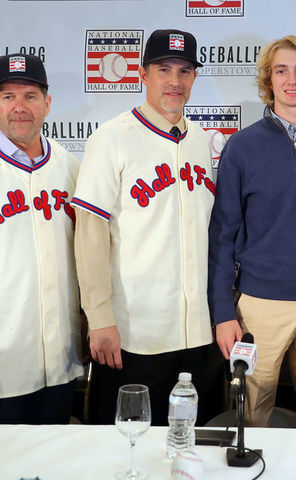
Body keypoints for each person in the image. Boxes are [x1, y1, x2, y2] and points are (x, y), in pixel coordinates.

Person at [71, 29, 222, 425]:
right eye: (163, 69)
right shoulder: (113, 137)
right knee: (126, 450)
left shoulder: (201, 140)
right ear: (142, 73)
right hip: (134, 334)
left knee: (188, 448)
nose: (175, 81)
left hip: (195, 336)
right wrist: (99, 316)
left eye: (185, 70)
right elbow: (89, 235)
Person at [209, 35, 296, 428]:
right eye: (281, 70)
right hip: (259, 307)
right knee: (249, 419)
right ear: (268, 81)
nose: (292, 79)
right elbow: (222, 235)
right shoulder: (241, 147)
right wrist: (222, 311)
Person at [0, 53, 83, 423]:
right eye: (7, 96)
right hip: (5, 357)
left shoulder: (70, 167)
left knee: (56, 458)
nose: (19, 107)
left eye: (30, 96)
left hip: (61, 356)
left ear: (47, 104)